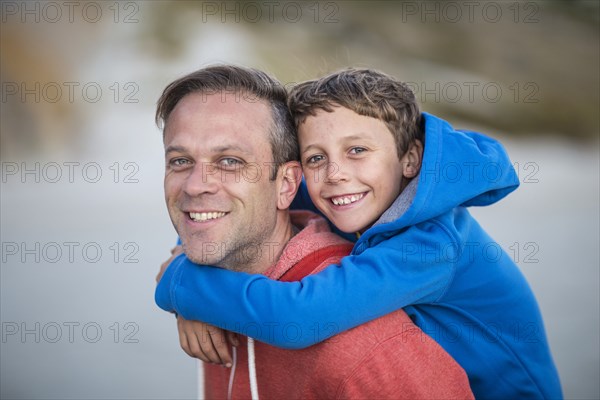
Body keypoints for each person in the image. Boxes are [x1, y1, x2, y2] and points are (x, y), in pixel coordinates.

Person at [156, 68, 563, 399]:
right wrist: (187, 256)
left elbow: (299, 317)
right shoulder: (345, 191)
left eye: (357, 150)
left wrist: (185, 285)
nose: (335, 173)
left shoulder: (431, 244)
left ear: (410, 158)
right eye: (317, 157)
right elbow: (227, 205)